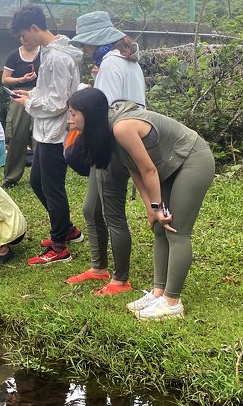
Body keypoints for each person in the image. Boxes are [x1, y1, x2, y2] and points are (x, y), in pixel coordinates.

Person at [68, 88, 215, 320]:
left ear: (88, 113)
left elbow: (149, 170)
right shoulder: (106, 133)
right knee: (159, 228)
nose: (70, 118)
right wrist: (150, 208)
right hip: (168, 166)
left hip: (191, 160)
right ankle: (158, 293)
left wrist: (157, 207)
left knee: (176, 230)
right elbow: (134, 170)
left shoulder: (121, 127)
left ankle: (172, 301)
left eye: (73, 113)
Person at [65, 11, 146, 296]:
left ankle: (121, 280)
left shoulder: (111, 63)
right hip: (121, 138)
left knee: (112, 214)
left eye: (86, 44)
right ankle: (99, 268)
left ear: (98, 40)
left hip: (112, 144)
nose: (85, 51)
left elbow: (105, 110)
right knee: (91, 209)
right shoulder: (124, 59)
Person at [8, 5, 84, 266]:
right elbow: (49, 91)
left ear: (34, 28)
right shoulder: (50, 53)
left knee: (53, 189)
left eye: (22, 35)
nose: (22, 41)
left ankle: (60, 246)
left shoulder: (57, 58)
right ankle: (67, 229)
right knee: (38, 182)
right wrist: (31, 95)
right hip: (44, 131)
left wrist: (27, 104)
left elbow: (59, 102)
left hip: (56, 132)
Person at [0, 40, 40, 189]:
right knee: (17, 134)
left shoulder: (45, 53)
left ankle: (42, 174)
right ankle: (11, 177)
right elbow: (5, 79)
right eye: (22, 37)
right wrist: (21, 79)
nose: (26, 40)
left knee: (40, 135)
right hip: (18, 95)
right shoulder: (14, 55)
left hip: (39, 94)